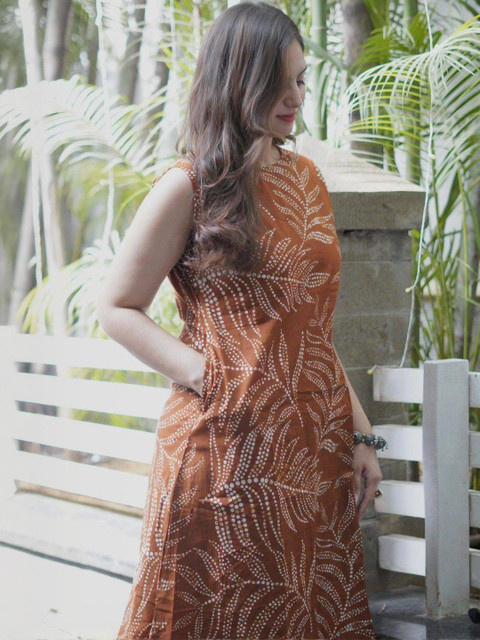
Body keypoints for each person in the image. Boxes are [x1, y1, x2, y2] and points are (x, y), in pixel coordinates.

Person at [97, 2, 383, 638]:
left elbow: (309, 326)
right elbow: (116, 306)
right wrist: (209, 373)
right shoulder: (189, 185)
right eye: (277, 81)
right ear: (236, 81)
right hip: (223, 448)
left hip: (310, 454)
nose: (294, 97)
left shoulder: (307, 180)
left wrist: (361, 434)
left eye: (301, 79)